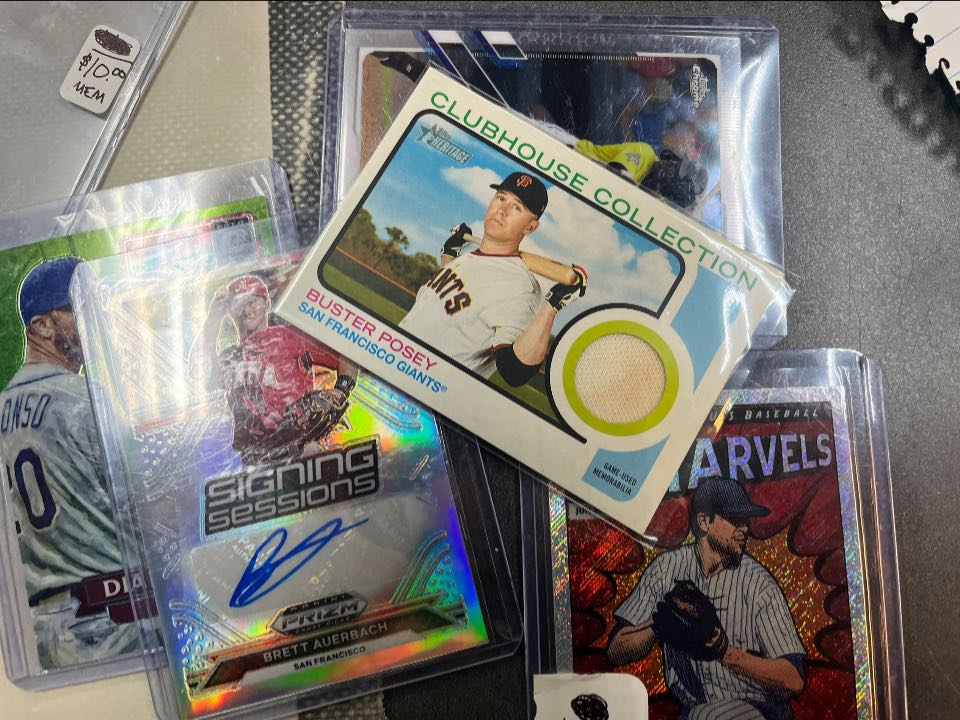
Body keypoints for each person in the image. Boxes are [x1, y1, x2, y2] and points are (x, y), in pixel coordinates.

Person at [0, 256, 138, 668]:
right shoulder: (85, 399)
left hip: (38, 633)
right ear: (41, 326)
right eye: (80, 308)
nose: (95, 320)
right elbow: (145, 510)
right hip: (111, 621)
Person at [607, 478, 806, 720]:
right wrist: (658, 625)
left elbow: (793, 679)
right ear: (704, 522)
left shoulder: (757, 583)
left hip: (760, 712)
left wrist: (726, 652)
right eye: (734, 519)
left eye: (745, 520)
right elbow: (616, 650)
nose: (744, 528)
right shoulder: (666, 569)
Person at [399, 172, 587, 386]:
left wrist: (551, 306)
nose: (502, 210)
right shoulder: (472, 258)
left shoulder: (519, 285)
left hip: (427, 391)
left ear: (530, 227)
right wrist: (450, 251)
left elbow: (514, 371)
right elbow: (455, 304)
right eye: (501, 198)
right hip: (391, 364)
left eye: (517, 207)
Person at [191, 273, 357, 465]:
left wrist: (341, 390)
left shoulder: (288, 337)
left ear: (267, 304)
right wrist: (213, 319)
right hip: (255, 459)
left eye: (253, 301)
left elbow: (347, 353)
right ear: (231, 311)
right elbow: (197, 371)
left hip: (302, 449)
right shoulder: (231, 357)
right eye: (240, 303)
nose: (247, 310)